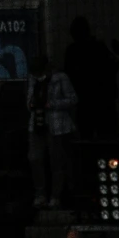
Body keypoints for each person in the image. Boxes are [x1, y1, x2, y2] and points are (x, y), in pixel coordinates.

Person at [25, 56, 77, 209]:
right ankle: (40, 194)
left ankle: (55, 196)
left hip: (56, 125)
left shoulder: (60, 78)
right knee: (34, 159)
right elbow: (28, 101)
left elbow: (73, 99)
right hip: (37, 125)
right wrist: (31, 104)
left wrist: (52, 104)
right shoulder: (32, 79)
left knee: (57, 161)